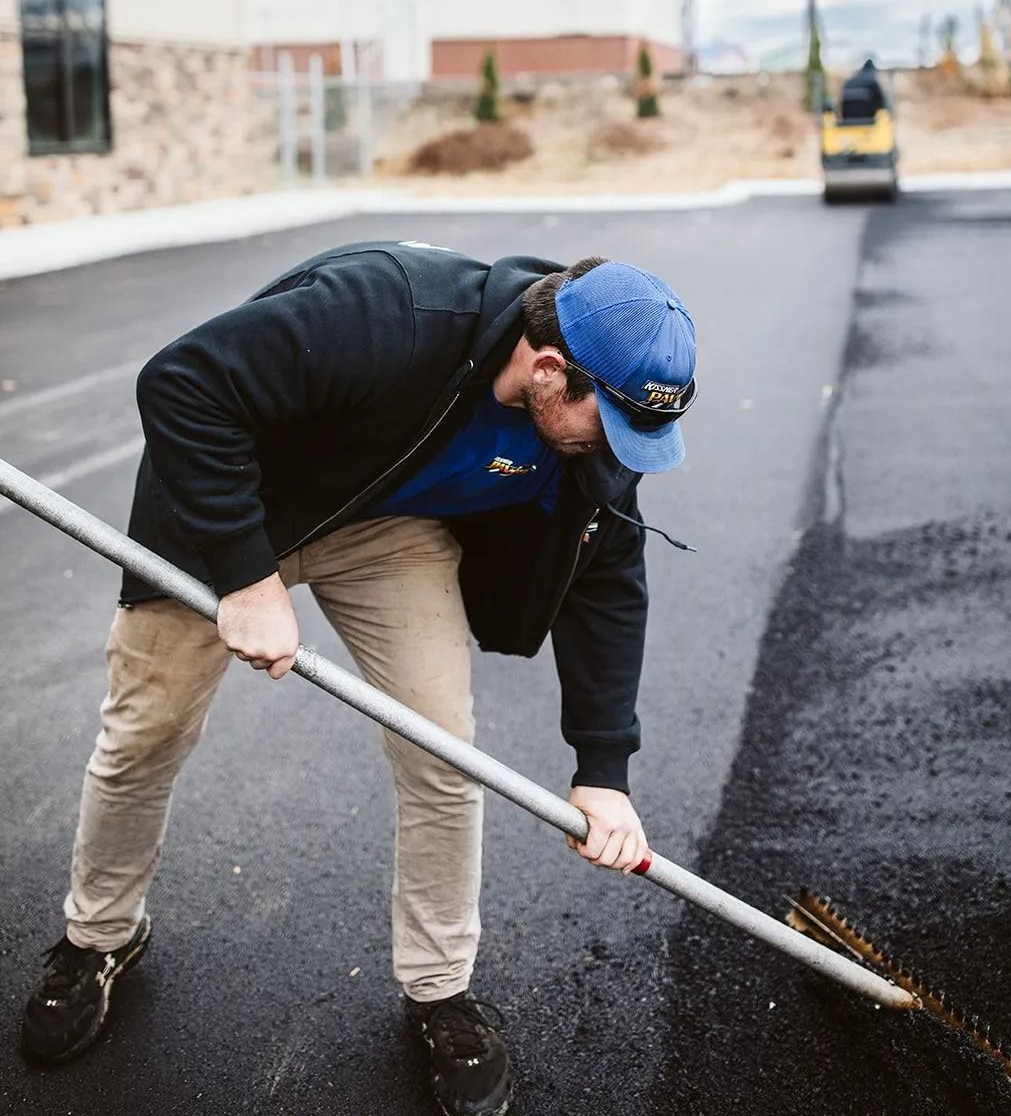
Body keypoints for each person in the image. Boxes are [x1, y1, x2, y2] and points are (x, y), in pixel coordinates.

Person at [21, 242, 696, 1116]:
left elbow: (607, 584)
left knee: (444, 756)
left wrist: (603, 773)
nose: (624, 453)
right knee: (143, 737)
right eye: (610, 422)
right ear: (549, 367)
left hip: (388, 529)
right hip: (233, 506)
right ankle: (97, 938)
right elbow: (182, 382)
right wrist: (246, 575)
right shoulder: (386, 309)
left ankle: (439, 990)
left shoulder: (594, 436)